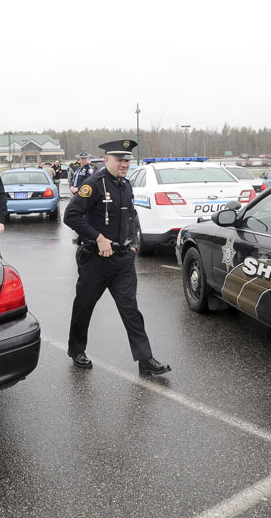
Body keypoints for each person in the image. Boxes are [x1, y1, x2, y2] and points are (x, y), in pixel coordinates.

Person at [63, 139, 171, 376]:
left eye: (127, 160)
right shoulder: (93, 185)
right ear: (107, 160)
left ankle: (145, 358)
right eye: (120, 160)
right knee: (84, 305)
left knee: (131, 309)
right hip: (95, 260)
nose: (124, 164)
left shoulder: (125, 185)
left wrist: (132, 244)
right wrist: (99, 238)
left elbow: (131, 215)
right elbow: (70, 216)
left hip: (122, 260)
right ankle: (76, 350)